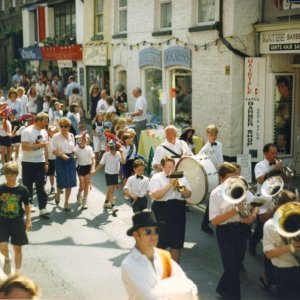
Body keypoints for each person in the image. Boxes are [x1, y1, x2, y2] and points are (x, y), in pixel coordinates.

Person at [121, 210, 199, 300]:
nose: (153, 236)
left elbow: (188, 286)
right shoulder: (129, 264)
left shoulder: (164, 256)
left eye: (156, 231)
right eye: (148, 232)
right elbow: (149, 297)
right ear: (136, 235)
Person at [209, 162, 257, 299]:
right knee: (231, 267)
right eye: (231, 178)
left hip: (242, 228)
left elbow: (255, 203)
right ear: (222, 178)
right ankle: (234, 296)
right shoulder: (216, 194)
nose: (234, 181)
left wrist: (252, 215)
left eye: (235, 177)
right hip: (226, 231)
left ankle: (221, 288)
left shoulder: (241, 187)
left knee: (236, 263)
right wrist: (235, 210)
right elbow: (214, 220)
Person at [149, 156, 192, 263]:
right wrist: (170, 184)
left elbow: (188, 194)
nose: (170, 169)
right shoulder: (156, 177)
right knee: (160, 242)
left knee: (176, 243)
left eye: (172, 166)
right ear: (163, 167)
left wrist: (180, 186)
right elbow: (155, 195)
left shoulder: (180, 177)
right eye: (167, 166)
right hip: (161, 210)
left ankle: (175, 272)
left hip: (178, 210)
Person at [263, 190, 300, 299]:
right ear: (279, 206)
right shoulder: (270, 225)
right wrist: (291, 247)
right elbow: (269, 254)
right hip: (284, 272)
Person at [0, 162, 31, 275]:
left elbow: (27, 205)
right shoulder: (1, 188)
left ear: (16, 175)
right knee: (2, 246)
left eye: (12, 175)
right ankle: (7, 259)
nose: (10, 178)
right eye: (7, 175)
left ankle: (18, 272)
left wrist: (28, 220)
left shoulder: (22, 189)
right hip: (2, 221)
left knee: (17, 248)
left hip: (17, 222)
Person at [21, 112, 49, 216]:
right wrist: (38, 145)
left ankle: (43, 208)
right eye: (45, 121)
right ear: (38, 121)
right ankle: (29, 204)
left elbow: (45, 147)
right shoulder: (27, 131)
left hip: (40, 162)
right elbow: (24, 147)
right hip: (28, 162)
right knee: (27, 185)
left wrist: (46, 162)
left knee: (40, 185)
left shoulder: (44, 132)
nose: (46, 123)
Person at [200, 124, 224, 235]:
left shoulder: (219, 144)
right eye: (211, 134)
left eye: (215, 134)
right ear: (207, 135)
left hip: (222, 173)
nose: (213, 137)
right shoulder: (204, 150)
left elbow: (220, 158)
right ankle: (206, 223)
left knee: (219, 198)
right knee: (214, 199)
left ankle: (210, 222)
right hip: (213, 175)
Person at [92, 140, 125, 213]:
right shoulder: (106, 154)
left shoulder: (119, 154)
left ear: (117, 148)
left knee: (110, 189)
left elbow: (123, 162)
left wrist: (122, 153)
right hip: (108, 173)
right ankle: (113, 206)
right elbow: (101, 164)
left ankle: (106, 202)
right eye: (111, 148)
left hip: (115, 174)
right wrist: (95, 170)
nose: (112, 151)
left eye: (114, 149)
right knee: (111, 189)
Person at [51, 117, 76, 211]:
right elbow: (53, 150)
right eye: (61, 126)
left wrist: (75, 154)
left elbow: (73, 148)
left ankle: (66, 202)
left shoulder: (72, 135)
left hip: (70, 159)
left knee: (70, 182)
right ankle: (57, 193)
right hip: (60, 159)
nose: (63, 128)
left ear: (69, 126)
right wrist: (61, 155)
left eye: (65, 126)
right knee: (61, 180)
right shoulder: (56, 136)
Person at [74, 132, 95, 209]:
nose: (83, 141)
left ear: (87, 141)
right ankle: (79, 194)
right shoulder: (76, 148)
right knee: (82, 186)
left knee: (87, 185)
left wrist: (93, 168)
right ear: (78, 141)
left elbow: (93, 159)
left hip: (88, 168)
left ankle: (84, 201)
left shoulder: (89, 148)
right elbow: (72, 155)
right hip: (80, 168)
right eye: (81, 140)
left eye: (85, 140)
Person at [46, 126, 58, 195]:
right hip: (49, 159)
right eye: (52, 131)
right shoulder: (46, 139)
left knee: (58, 174)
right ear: (49, 132)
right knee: (51, 174)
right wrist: (46, 160)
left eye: (55, 131)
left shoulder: (58, 138)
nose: (54, 132)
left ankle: (60, 186)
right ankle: (52, 187)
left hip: (57, 158)